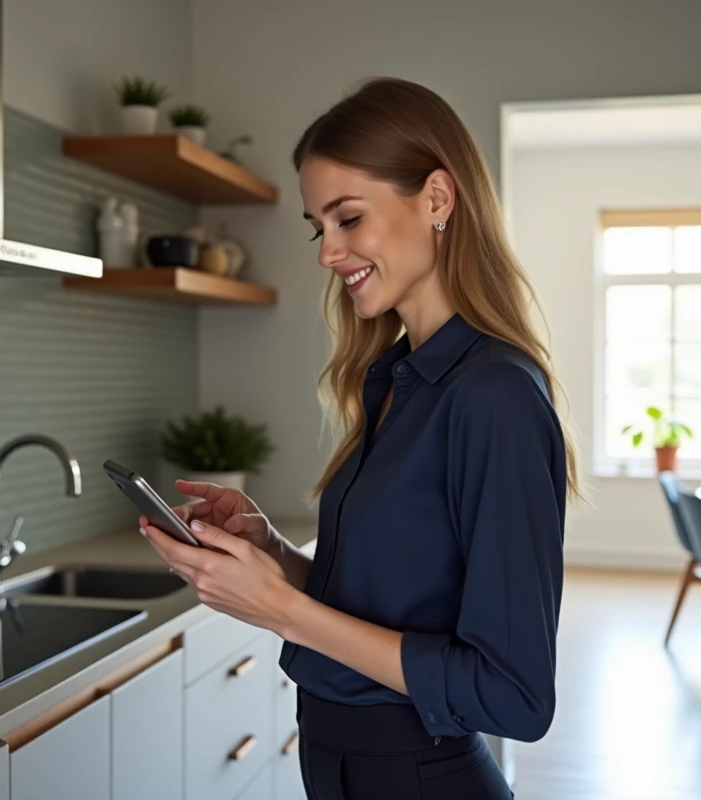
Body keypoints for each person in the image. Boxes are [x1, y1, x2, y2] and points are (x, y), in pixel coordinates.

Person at [139, 76, 577, 800]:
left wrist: (281, 611)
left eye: (348, 219)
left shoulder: (493, 395)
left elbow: (514, 696)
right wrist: (273, 555)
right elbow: (392, 609)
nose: (326, 252)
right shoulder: (393, 381)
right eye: (319, 227)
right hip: (343, 767)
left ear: (437, 199)